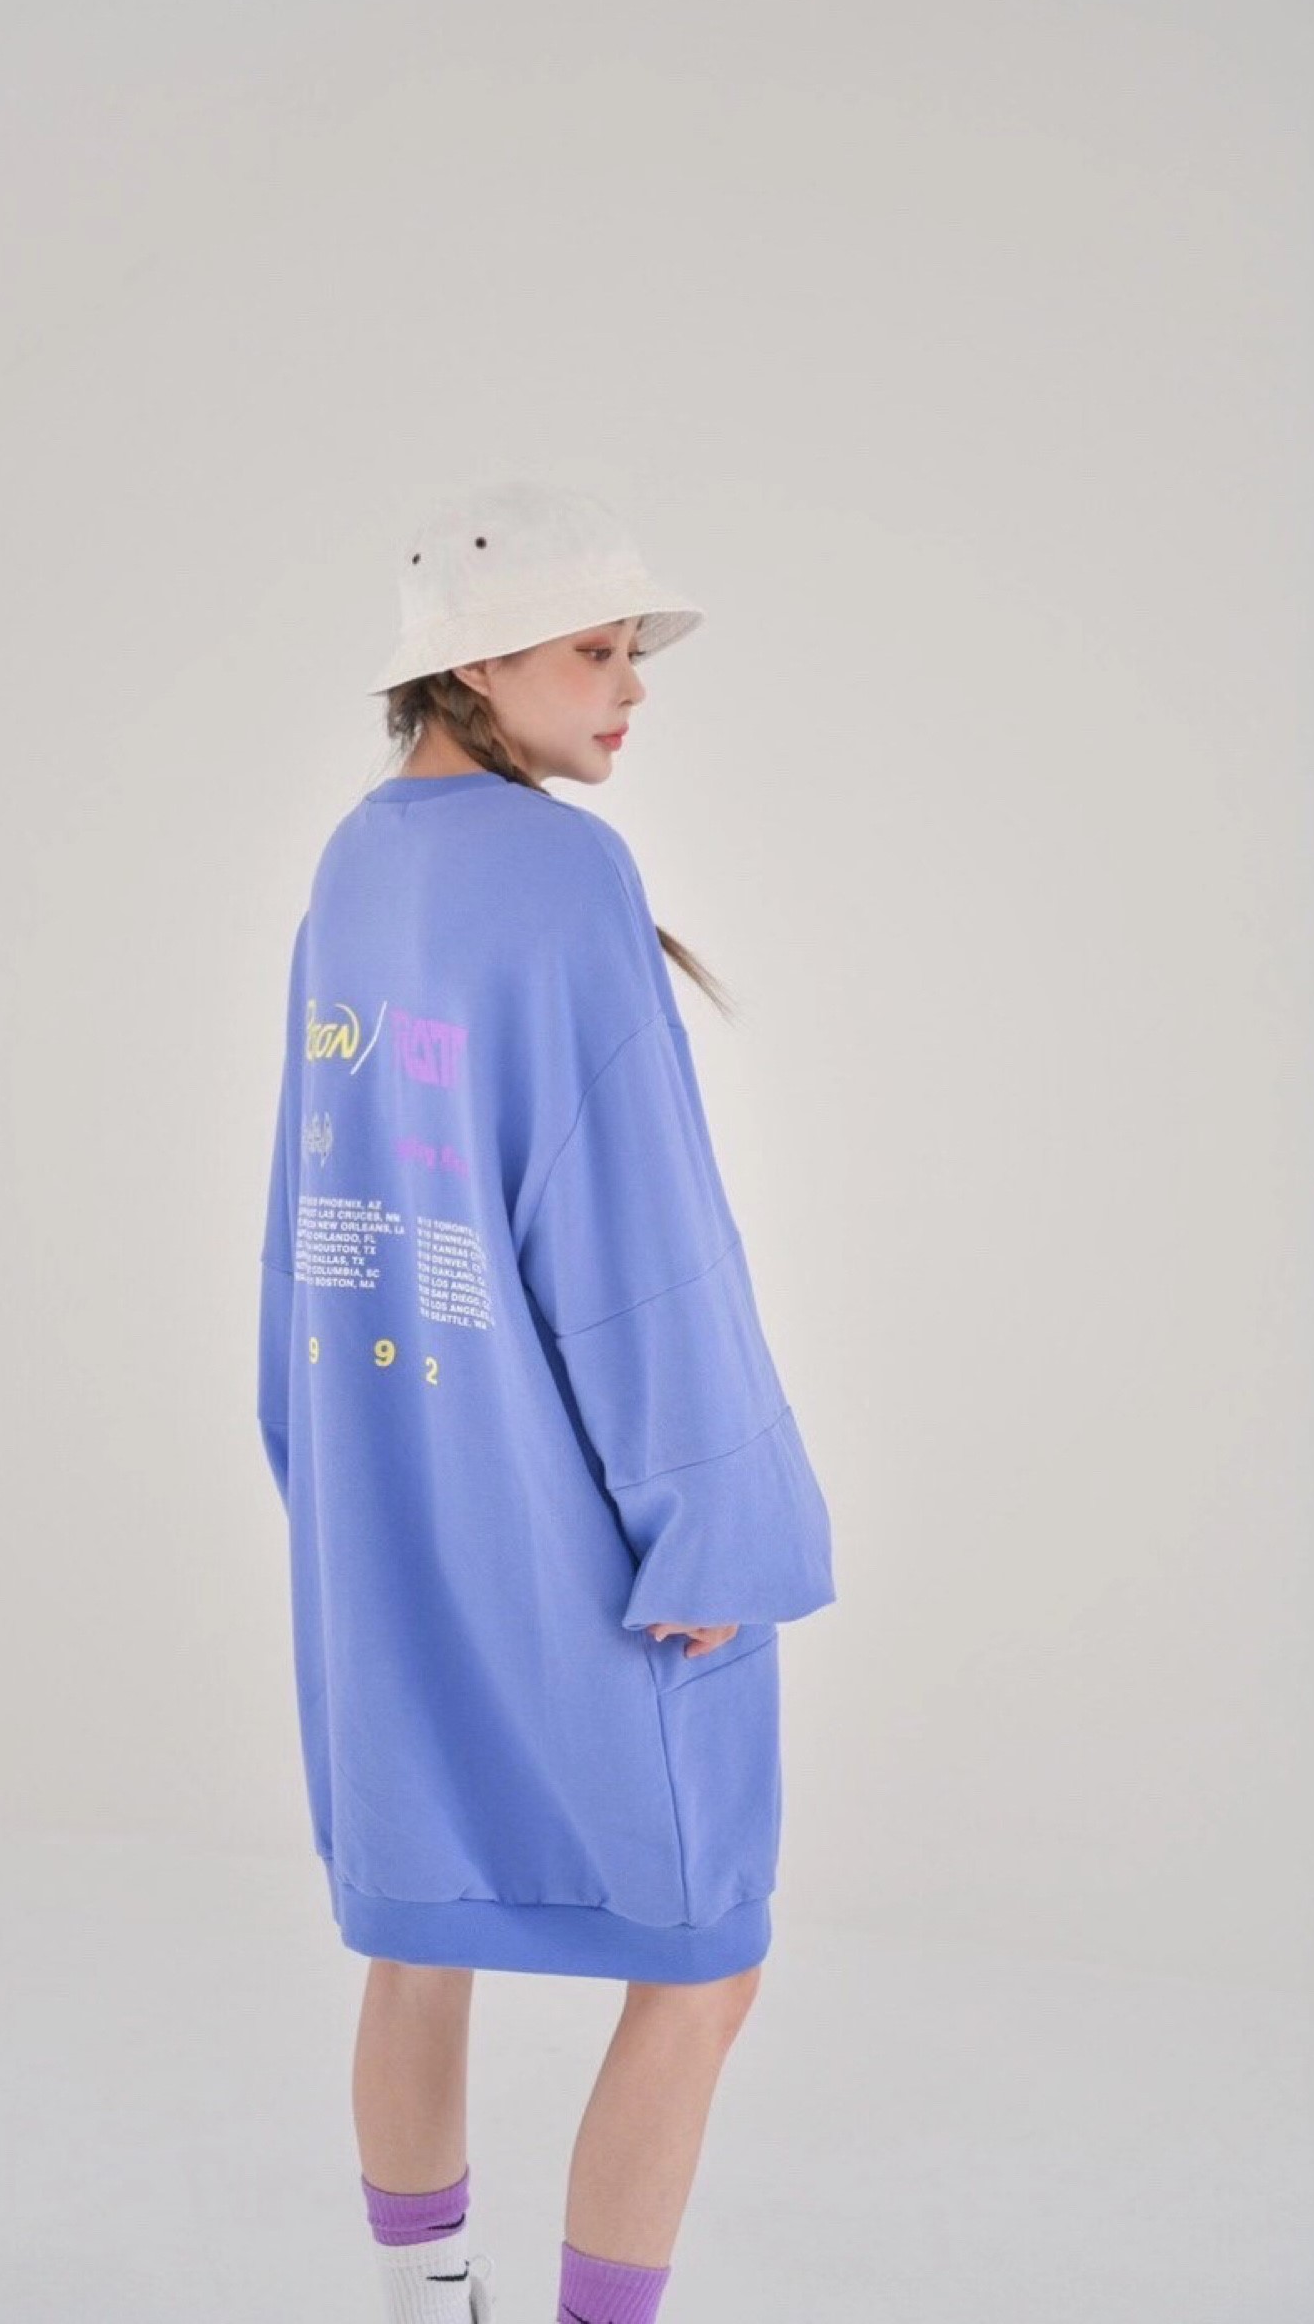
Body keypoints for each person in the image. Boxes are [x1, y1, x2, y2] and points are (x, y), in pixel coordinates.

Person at [256, 479, 837, 2324]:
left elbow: (313, 1209)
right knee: (704, 1962)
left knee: (421, 1935)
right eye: (594, 650)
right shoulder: (565, 875)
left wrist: (323, 1477)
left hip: (391, 1515)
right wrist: (720, 1518)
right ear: (476, 667)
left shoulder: (356, 862)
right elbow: (637, 1231)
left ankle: (426, 2308)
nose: (632, 686)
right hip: (584, 1535)